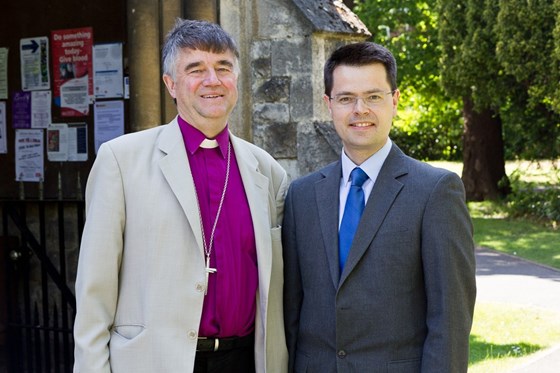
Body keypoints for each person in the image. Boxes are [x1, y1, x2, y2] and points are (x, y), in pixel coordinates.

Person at [73, 19, 288, 373]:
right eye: (195, 69)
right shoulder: (121, 161)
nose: (212, 80)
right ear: (170, 84)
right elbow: (94, 292)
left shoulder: (266, 170)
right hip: (153, 362)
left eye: (223, 68)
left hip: (244, 361)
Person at [282, 42, 476, 372]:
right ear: (328, 104)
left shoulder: (435, 192)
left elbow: (450, 320)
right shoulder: (301, 195)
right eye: (346, 98)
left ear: (395, 101)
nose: (360, 109)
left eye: (373, 96)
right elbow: (292, 312)